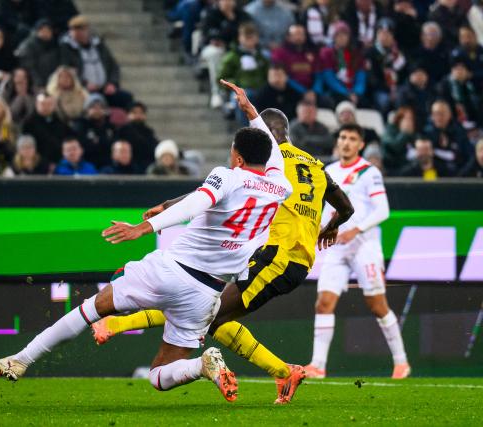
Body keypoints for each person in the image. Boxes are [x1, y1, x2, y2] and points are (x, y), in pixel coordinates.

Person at [0, 125, 293, 404]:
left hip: (169, 270)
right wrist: (252, 111)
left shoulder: (227, 175)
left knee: (90, 309)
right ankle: (201, 365)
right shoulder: (281, 187)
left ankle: (22, 359)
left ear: (237, 158)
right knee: (160, 374)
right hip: (206, 293)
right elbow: (275, 155)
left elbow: (195, 203)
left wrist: (146, 227)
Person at [90, 80, 354, 405]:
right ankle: (284, 371)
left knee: (205, 312)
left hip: (276, 257)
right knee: (209, 311)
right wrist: (331, 225)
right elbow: (347, 207)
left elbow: (211, 195)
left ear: (265, 134)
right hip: (292, 258)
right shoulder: (314, 165)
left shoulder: (271, 168)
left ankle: (118, 322)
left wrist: (165, 206)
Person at [304, 123, 410, 380]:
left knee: (377, 305)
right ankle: (317, 365)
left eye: (352, 138)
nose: (346, 142)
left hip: (365, 246)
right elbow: (323, 210)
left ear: (360, 144)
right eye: (342, 137)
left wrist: (356, 229)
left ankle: (401, 362)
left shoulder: (369, 172)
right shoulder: (327, 171)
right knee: (324, 303)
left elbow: (383, 210)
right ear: (337, 142)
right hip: (337, 248)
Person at [59, 15, 133, 110]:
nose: (78, 34)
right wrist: (84, 84)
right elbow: (68, 71)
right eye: (74, 31)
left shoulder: (98, 45)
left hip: (105, 87)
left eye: (81, 30)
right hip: (84, 90)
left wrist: (112, 83)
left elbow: (113, 66)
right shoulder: (66, 49)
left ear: (87, 30)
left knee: (126, 98)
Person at [200, 0, 252, 108]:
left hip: (236, 49)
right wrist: (224, 36)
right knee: (215, 53)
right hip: (212, 49)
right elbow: (208, 35)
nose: (227, 2)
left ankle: (238, 97)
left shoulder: (242, 15)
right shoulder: (211, 13)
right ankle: (217, 93)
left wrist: (230, 18)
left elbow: (245, 34)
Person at [218, 22, 270, 123]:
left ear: (256, 38)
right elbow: (221, 79)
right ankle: (246, 127)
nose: (249, 41)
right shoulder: (232, 57)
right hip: (242, 90)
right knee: (244, 97)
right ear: (240, 38)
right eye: (246, 37)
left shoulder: (262, 57)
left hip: (261, 90)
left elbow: (267, 75)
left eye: (252, 37)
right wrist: (236, 84)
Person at [318, 21, 367, 106]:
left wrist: (356, 92)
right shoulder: (326, 52)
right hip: (334, 91)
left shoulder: (356, 53)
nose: (342, 38)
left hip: (354, 92)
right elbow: (329, 78)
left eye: (344, 35)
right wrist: (346, 93)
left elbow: (361, 76)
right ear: (334, 37)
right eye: (338, 35)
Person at [365, 18, 407, 116]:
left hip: (397, 89)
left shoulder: (398, 54)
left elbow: (404, 73)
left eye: (388, 34)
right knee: (384, 102)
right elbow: (372, 78)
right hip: (379, 90)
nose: (385, 37)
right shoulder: (370, 53)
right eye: (381, 33)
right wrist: (388, 90)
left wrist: (396, 89)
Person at [22, 92, 73, 171]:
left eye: (49, 104)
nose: (46, 107)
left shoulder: (61, 123)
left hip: (59, 162)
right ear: (37, 105)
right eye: (43, 104)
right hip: (36, 163)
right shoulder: (29, 124)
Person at [271, 24, 320, 100]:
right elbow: (283, 76)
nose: (299, 37)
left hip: (312, 92)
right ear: (288, 37)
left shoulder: (311, 53)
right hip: (290, 91)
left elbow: (318, 75)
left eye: (302, 34)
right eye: (296, 34)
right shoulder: (279, 53)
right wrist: (303, 92)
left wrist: (314, 92)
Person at [423, 99, 473, 170]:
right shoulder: (427, 131)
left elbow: (467, 155)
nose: (438, 117)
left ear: (449, 114)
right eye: (435, 114)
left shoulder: (459, 131)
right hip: (433, 174)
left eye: (441, 113)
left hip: (456, 174)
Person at [435, 56, 483, 127]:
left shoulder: (473, 83)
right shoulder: (444, 85)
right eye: (456, 69)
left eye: (462, 69)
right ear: (451, 71)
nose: (459, 72)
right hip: (454, 123)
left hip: (476, 121)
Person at [15, 18, 60, 90]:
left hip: (55, 83)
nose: (46, 33)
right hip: (37, 85)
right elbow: (30, 67)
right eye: (43, 30)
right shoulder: (28, 46)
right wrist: (39, 84)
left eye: (48, 30)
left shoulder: (55, 44)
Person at [74, 94, 115, 169]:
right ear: (87, 109)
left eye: (100, 107)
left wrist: (98, 141)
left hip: (108, 163)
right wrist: (102, 142)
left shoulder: (110, 126)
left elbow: (113, 146)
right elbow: (83, 145)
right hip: (86, 163)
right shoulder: (80, 124)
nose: (97, 110)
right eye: (93, 107)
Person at [115, 102, 159, 173]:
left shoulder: (149, 132)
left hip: (146, 165)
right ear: (128, 115)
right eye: (134, 112)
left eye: (141, 113)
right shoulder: (122, 130)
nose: (138, 115)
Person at [395, 62, 434, 130]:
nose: (419, 76)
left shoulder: (432, 90)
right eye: (416, 74)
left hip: (431, 121)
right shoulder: (403, 92)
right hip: (413, 123)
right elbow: (403, 111)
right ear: (410, 76)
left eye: (422, 73)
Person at [381, 106, 418, 175]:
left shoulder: (414, 136)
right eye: (407, 119)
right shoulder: (389, 131)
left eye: (411, 119)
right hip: (393, 170)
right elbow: (395, 147)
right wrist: (404, 133)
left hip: (410, 171)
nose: (410, 123)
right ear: (399, 120)